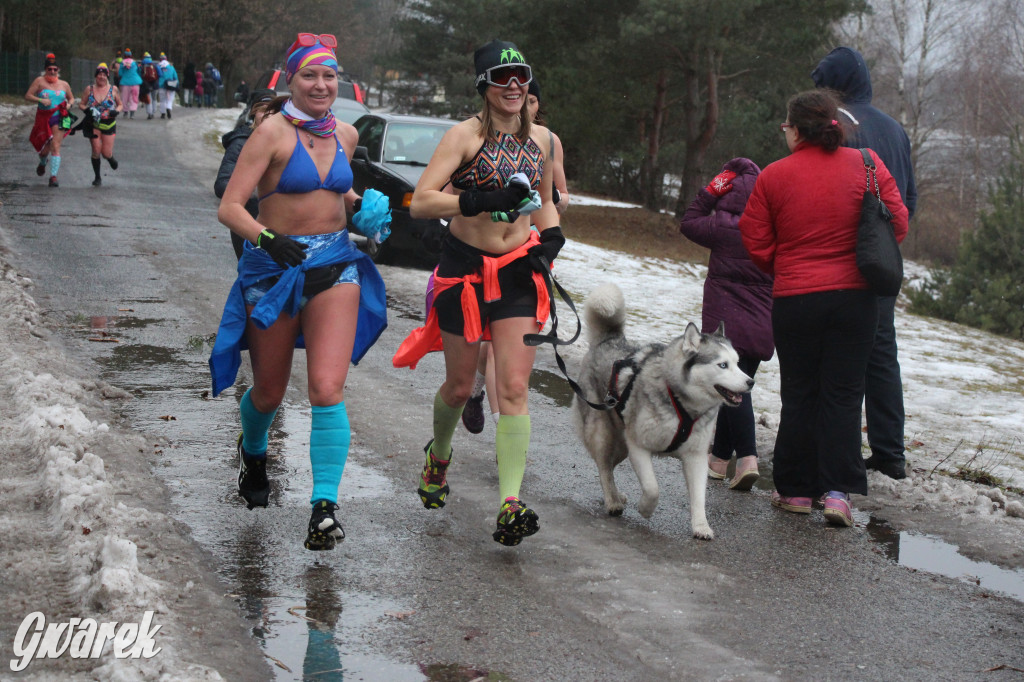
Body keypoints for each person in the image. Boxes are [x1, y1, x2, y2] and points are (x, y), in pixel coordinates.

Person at [210, 33, 387, 551]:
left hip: (335, 266)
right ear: (291, 79)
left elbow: (337, 190)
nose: (321, 84)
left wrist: (364, 210)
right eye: (310, 75)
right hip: (273, 271)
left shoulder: (346, 135)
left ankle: (324, 508)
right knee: (268, 392)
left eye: (329, 75)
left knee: (327, 390)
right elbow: (230, 207)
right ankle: (254, 449)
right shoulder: (271, 133)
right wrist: (267, 238)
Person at [393, 39, 563, 547]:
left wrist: (552, 237)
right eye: (501, 78)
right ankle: (439, 455)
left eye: (521, 76)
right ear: (483, 86)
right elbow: (421, 202)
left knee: (513, 389)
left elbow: (545, 200)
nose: (513, 86)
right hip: (464, 272)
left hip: (517, 272)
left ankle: (510, 502)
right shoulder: (464, 136)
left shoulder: (544, 139)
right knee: (460, 386)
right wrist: (478, 199)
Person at [738, 89, 908, 526]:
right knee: (844, 394)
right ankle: (837, 494)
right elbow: (897, 223)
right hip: (855, 301)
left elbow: (754, 239)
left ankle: (795, 491)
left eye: (786, 126)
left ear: (796, 130)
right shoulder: (868, 164)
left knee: (799, 393)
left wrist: (786, 264)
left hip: (795, 300)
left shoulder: (774, 176)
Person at [812, 46, 917, 482]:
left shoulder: (837, 125)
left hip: (840, 259)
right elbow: (909, 200)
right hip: (883, 260)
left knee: (835, 356)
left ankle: (836, 454)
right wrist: (885, 242)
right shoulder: (895, 129)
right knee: (881, 354)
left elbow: (823, 190)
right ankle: (890, 453)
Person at [461, 77, 570, 433]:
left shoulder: (547, 140)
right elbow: (449, 192)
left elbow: (559, 196)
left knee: (503, 349)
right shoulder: (476, 137)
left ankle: (502, 430)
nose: (526, 105)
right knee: (488, 343)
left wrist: (549, 221)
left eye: (533, 100)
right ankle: (474, 393)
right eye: (525, 99)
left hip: (531, 247)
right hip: (483, 252)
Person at [679, 158, 773, 491]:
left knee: (733, 390)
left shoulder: (720, 226)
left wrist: (711, 190)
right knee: (736, 386)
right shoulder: (772, 228)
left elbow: (689, 222)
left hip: (726, 320)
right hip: (762, 321)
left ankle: (747, 458)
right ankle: (719, 459)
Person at [214, 88, 278, 258]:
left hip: (279, 224)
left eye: (273, 110)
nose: (269, 115)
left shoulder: (286, 142)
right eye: (263, 110)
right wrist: (253, 193)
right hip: (248, 223)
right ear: (253, 113)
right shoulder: (241, 143)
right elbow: (222, 183)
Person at [24, 54, 76, 188]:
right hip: (43, 117)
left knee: (55, 146)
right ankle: (43, 162)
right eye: (49, 69)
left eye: (55, 69)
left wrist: (69, 105)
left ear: (58, 70)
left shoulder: (64, 84)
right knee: (44, 151)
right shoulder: (39, 81)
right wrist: (41, 100)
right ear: (45, 70)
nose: (52, 72)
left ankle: (53, 177)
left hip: (58, 117)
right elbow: (28, 96)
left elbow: (71, 98)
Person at [77, 63, 123, 187]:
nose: (101, 77)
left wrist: (116, 111)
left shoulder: (113, 89)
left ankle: (110, 158)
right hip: (94, 123)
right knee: (96, 150)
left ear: (107, 76)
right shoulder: (89, 89)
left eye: (104, 75)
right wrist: (87, 110)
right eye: (99, 74)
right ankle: (97, 177)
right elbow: (81, 104)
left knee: (105, 153)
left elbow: (120, 104)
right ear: (96, 76)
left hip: (109, 124)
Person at [118, 48, 142, 119]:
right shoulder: (134, 63)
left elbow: (120, 73)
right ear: (131, 55)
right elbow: (138, 71)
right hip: (135, 82)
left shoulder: (122, 63)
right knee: (134, 97)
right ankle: (132, 113)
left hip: (125, 82)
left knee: (124, 98)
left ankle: (125, 112)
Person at [157, 53, 179, 119]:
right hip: (171, 85)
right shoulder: (171, 66)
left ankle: (163, 113)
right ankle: (169, 108)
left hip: (161, 85)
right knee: (170, 99)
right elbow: (175, 76)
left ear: (160, 59)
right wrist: (177, 84)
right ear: (166, 59)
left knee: (162, 100)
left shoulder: (158, 66)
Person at [140, 52, 160, 119]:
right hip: (155, 84)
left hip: (146, 85)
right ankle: (153, 111)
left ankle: (149, 113)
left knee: (148, 99)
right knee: (154, 98)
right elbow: (160, 74)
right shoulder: (155, 65)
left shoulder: (142, 66)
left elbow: (139, 74)